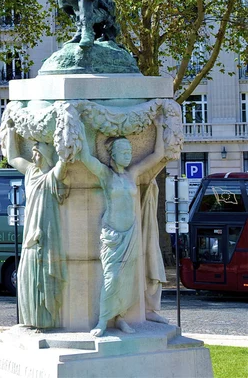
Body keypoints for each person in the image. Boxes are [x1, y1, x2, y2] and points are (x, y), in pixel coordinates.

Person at [78, 116, 168, 336]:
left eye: (129, 151)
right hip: (113, 235)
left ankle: (119, 318)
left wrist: (157, 126)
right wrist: (80, 127)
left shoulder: (133, 173)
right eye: (124, 151)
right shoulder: (105, 175)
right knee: (112, 278)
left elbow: (158, 156)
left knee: (127, 281)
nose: (128, 154)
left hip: (131, 234)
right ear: (114, 154)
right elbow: (85, 157)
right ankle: (102, 321)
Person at [6, 121, 69, 329]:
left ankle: (45, 321)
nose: (33, 156)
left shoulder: (51, 177)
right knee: (26, 278)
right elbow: (14, 158)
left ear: (44, 155)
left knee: (43, 279)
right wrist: (12, 132)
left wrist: (65, 138)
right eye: (33, 152)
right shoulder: (32, 173)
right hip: (30, 236)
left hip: (46, 238)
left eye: (37, 152)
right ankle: (31, 320)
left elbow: (63, 162)